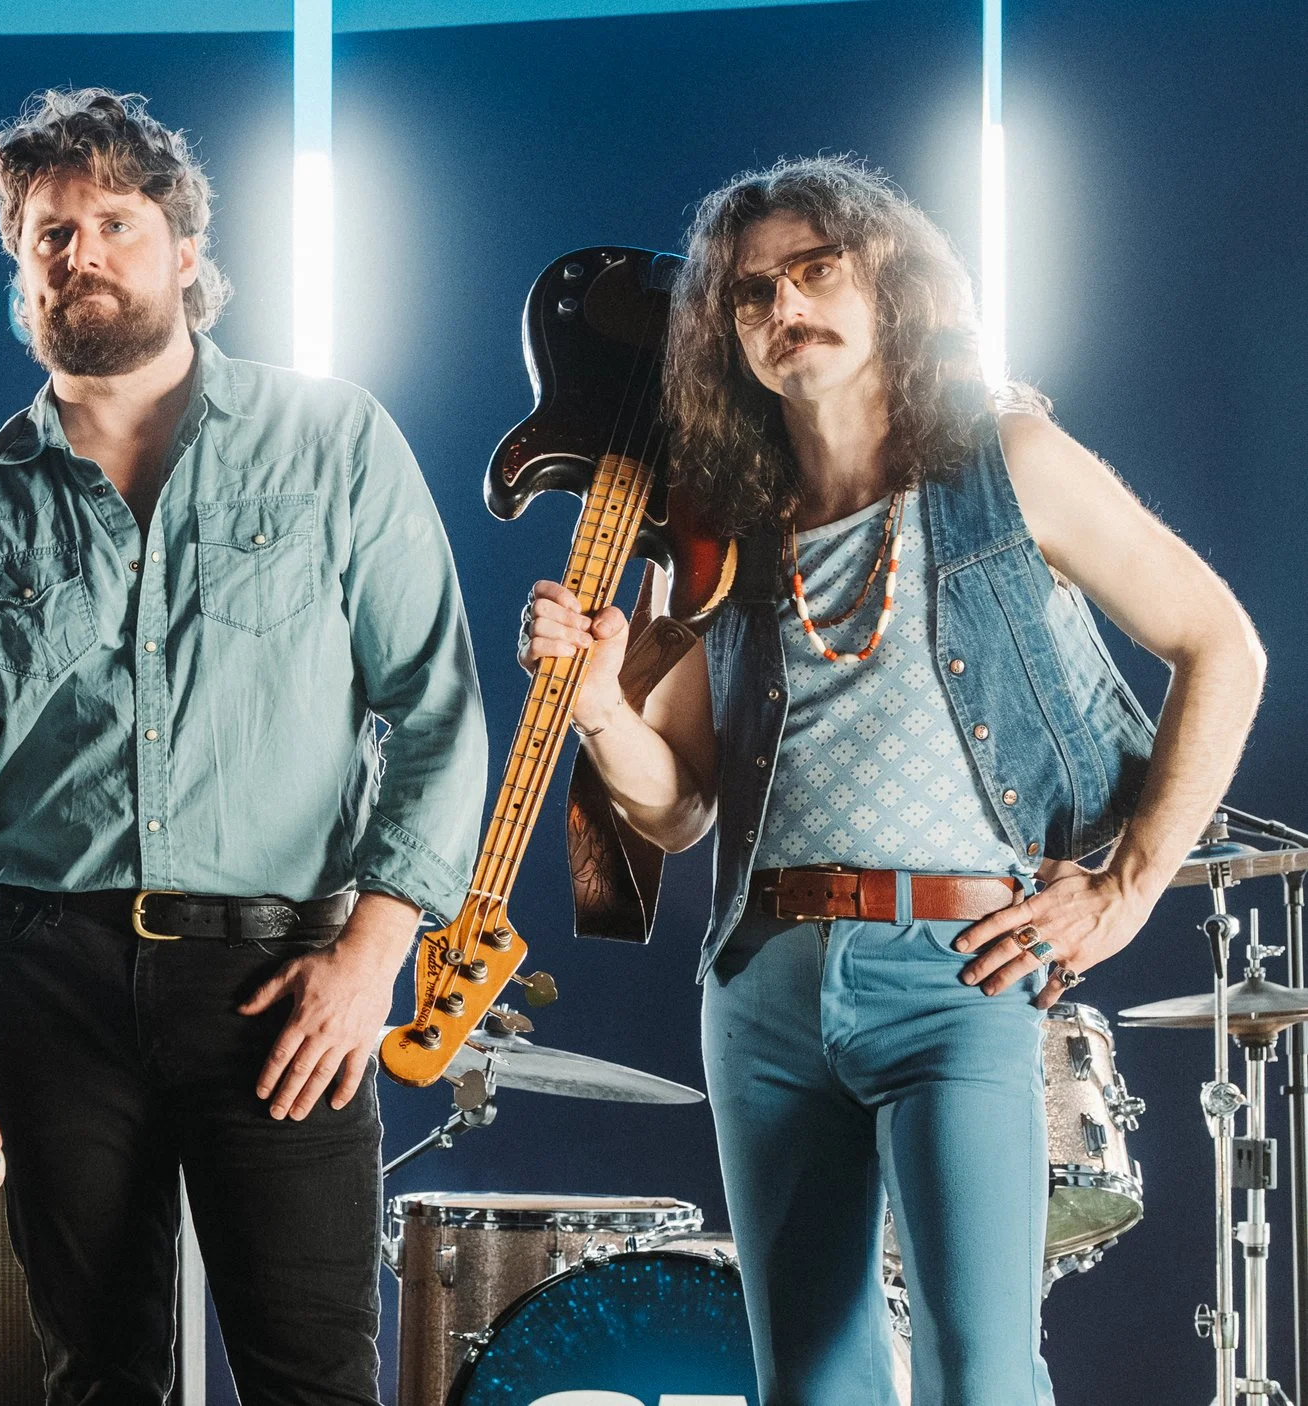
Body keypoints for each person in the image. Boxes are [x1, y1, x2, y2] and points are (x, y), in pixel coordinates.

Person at [520, 154, 1266, 1404]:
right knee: (810, 1384)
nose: (782, 306)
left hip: (956, 970)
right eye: (750, 294)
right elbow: (682, 800)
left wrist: (1127, 889)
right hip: (758, 985)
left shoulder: (1006, 460)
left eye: (816, 269)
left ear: (895, 287)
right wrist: (600, 705)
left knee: (983, 1374)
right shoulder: (725, 525)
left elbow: (1221, 645)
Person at [0, 88, 485, 1405]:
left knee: (313, 1377)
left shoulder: (333, 442)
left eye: (115, 223)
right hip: (53, 979)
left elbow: (433, 705)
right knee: (94, 1375)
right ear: (19, 268)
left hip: (283, 975)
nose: (80, 251)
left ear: (188, 252)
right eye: (47, 233)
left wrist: (372, 959)